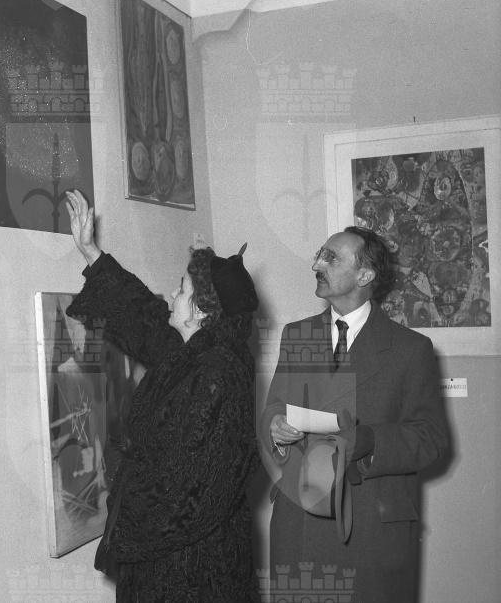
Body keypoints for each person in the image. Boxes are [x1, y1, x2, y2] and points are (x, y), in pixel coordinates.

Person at [64, 190, 261, 602]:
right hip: (172, 557)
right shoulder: (200, 351)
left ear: (201, 311)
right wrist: (91, 252)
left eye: (181, 289)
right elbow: (146, 319)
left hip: (189, 568)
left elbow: (183, 493)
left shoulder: (216, 375)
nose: (171, 295)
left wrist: (123, 521)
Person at [261, 226, 450, 603]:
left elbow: (430, 438)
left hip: (368, 529)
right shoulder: (296, 335)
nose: (317, 264)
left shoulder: (410, 349)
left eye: (331, 258)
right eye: (319, 254)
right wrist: (275, 427)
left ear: (364, 275)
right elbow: (274, 409)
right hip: (299, 523)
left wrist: (370, 441)